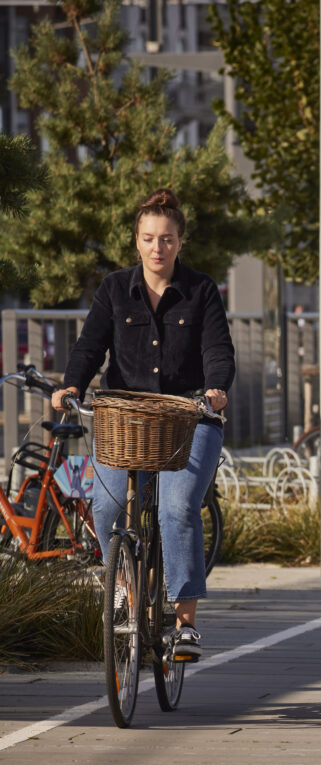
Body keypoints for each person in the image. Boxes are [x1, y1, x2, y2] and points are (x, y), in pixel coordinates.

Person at [52, 188, 233, 661]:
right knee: (107, 509)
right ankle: (126, 595)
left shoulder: (201, 290)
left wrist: (215, 387)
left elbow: (218, 350)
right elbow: (90, 347)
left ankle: (185, 621)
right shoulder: (114, 289)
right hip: (125, 421)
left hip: (189, 419)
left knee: (175, 510)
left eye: (167, 239)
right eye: (149, 238)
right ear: (137, 241)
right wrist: (71, 386)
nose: (158, 248)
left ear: (179, 242)